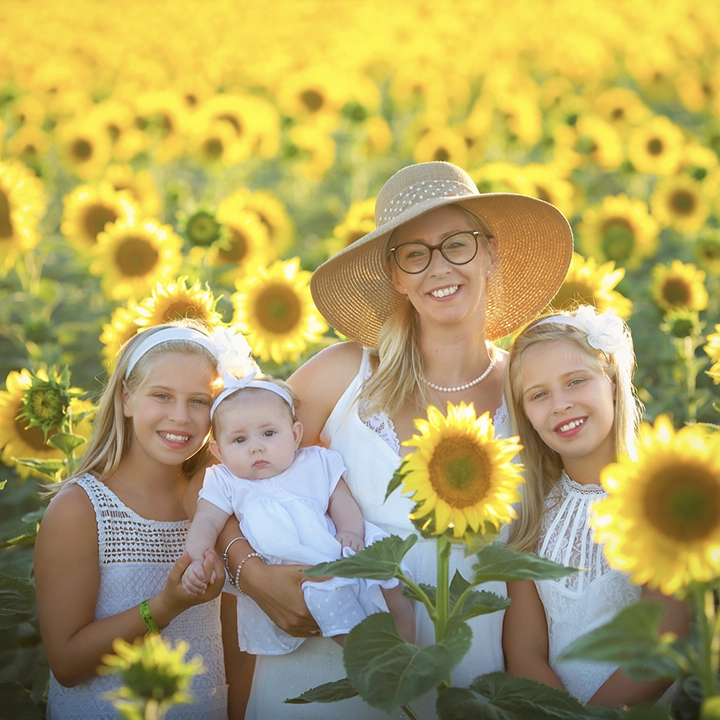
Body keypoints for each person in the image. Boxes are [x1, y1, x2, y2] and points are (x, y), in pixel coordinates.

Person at [218, 160, 575, 719]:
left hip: (470, 679)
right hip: (328, 674)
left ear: (491, 253)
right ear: (397, 276)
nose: (438, 268)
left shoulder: (533, 393)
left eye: (456, 243)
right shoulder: (343, 377)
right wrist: (250, 572)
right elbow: (220, 479)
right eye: (414, 253)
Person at [34, 321, 244, 720]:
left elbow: (237, 649)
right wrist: (166, 606)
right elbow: (67, 665)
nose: (180, 416)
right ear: (127, 398)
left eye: (199, 401)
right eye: (161, 395)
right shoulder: (81, 509)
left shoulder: (220, 504)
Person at [502, 306, 689, 707]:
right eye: (538, 395)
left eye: (576, 381)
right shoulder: (533, 514)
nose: (560, 404)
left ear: (615, 384)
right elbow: (524, 651)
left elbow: (665, 635)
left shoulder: (656, 501)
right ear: (525, 415)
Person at [182, 369, 415, 654]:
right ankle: (370, 656)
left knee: (389, 573)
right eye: (239, 440)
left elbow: (340, 498)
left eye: (268, 433)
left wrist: (351, 530)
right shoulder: (225, 480)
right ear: (218, 451)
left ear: (295, 435)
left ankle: (407, 638)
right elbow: (206, 520)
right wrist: (196, 558)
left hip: (339, 547)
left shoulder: (315, 461)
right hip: (300, 568)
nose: (256, 447)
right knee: (330, 606)